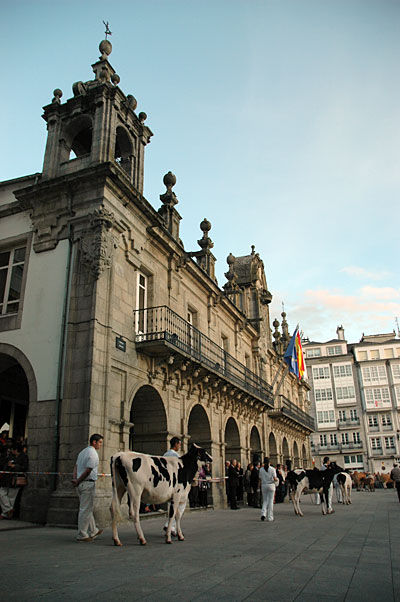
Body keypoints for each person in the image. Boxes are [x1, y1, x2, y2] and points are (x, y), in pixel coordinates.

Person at [72, 433, 104, 542]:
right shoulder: (93, 454)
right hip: (87, 483)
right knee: (85, 509)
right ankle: (82, 534)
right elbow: (88, 470)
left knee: (87, 507)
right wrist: (78, 480)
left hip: (80, 484)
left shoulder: (82, 452)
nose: (101, 445)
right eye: (100, 442)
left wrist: (75, 479)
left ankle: (94, 530)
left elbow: (76, 467)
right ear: (94, 442)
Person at [163, 436, 185, 536]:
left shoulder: (165, 454)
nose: (180, 446)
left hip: (165, 483)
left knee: (171, 505)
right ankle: (170, 526)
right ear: (176, 444)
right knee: (180, 505)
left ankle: (170, 525)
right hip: (175, 484)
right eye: (179, 444)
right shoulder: (175, 455)